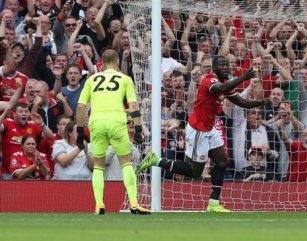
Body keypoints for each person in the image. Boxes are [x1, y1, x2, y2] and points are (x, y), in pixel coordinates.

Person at [136, 55, 269, 212]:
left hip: (209, 129)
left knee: (222, 163)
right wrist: (244, 77)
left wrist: (261, 102)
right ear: (214, 68)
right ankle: (156, 160)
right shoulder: (210, 81)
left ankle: (213, 204)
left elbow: (242, 102)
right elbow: (220, 89)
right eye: (223, 65)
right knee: (195, 171)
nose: (227, 68)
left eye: (228, 65)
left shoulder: (224, 84)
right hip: (198, 129)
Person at [76, 49, 150, 215]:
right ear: (117, 63)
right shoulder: (125, 79)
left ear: (101, 64)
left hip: (97, 123)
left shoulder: (92, 79)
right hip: (117, 122)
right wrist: (138, 129)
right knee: (126, 163)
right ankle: (133, 203)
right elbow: (133, 106)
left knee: (99, 166)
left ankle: (99, 205)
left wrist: (80, 132)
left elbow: (81, 106)